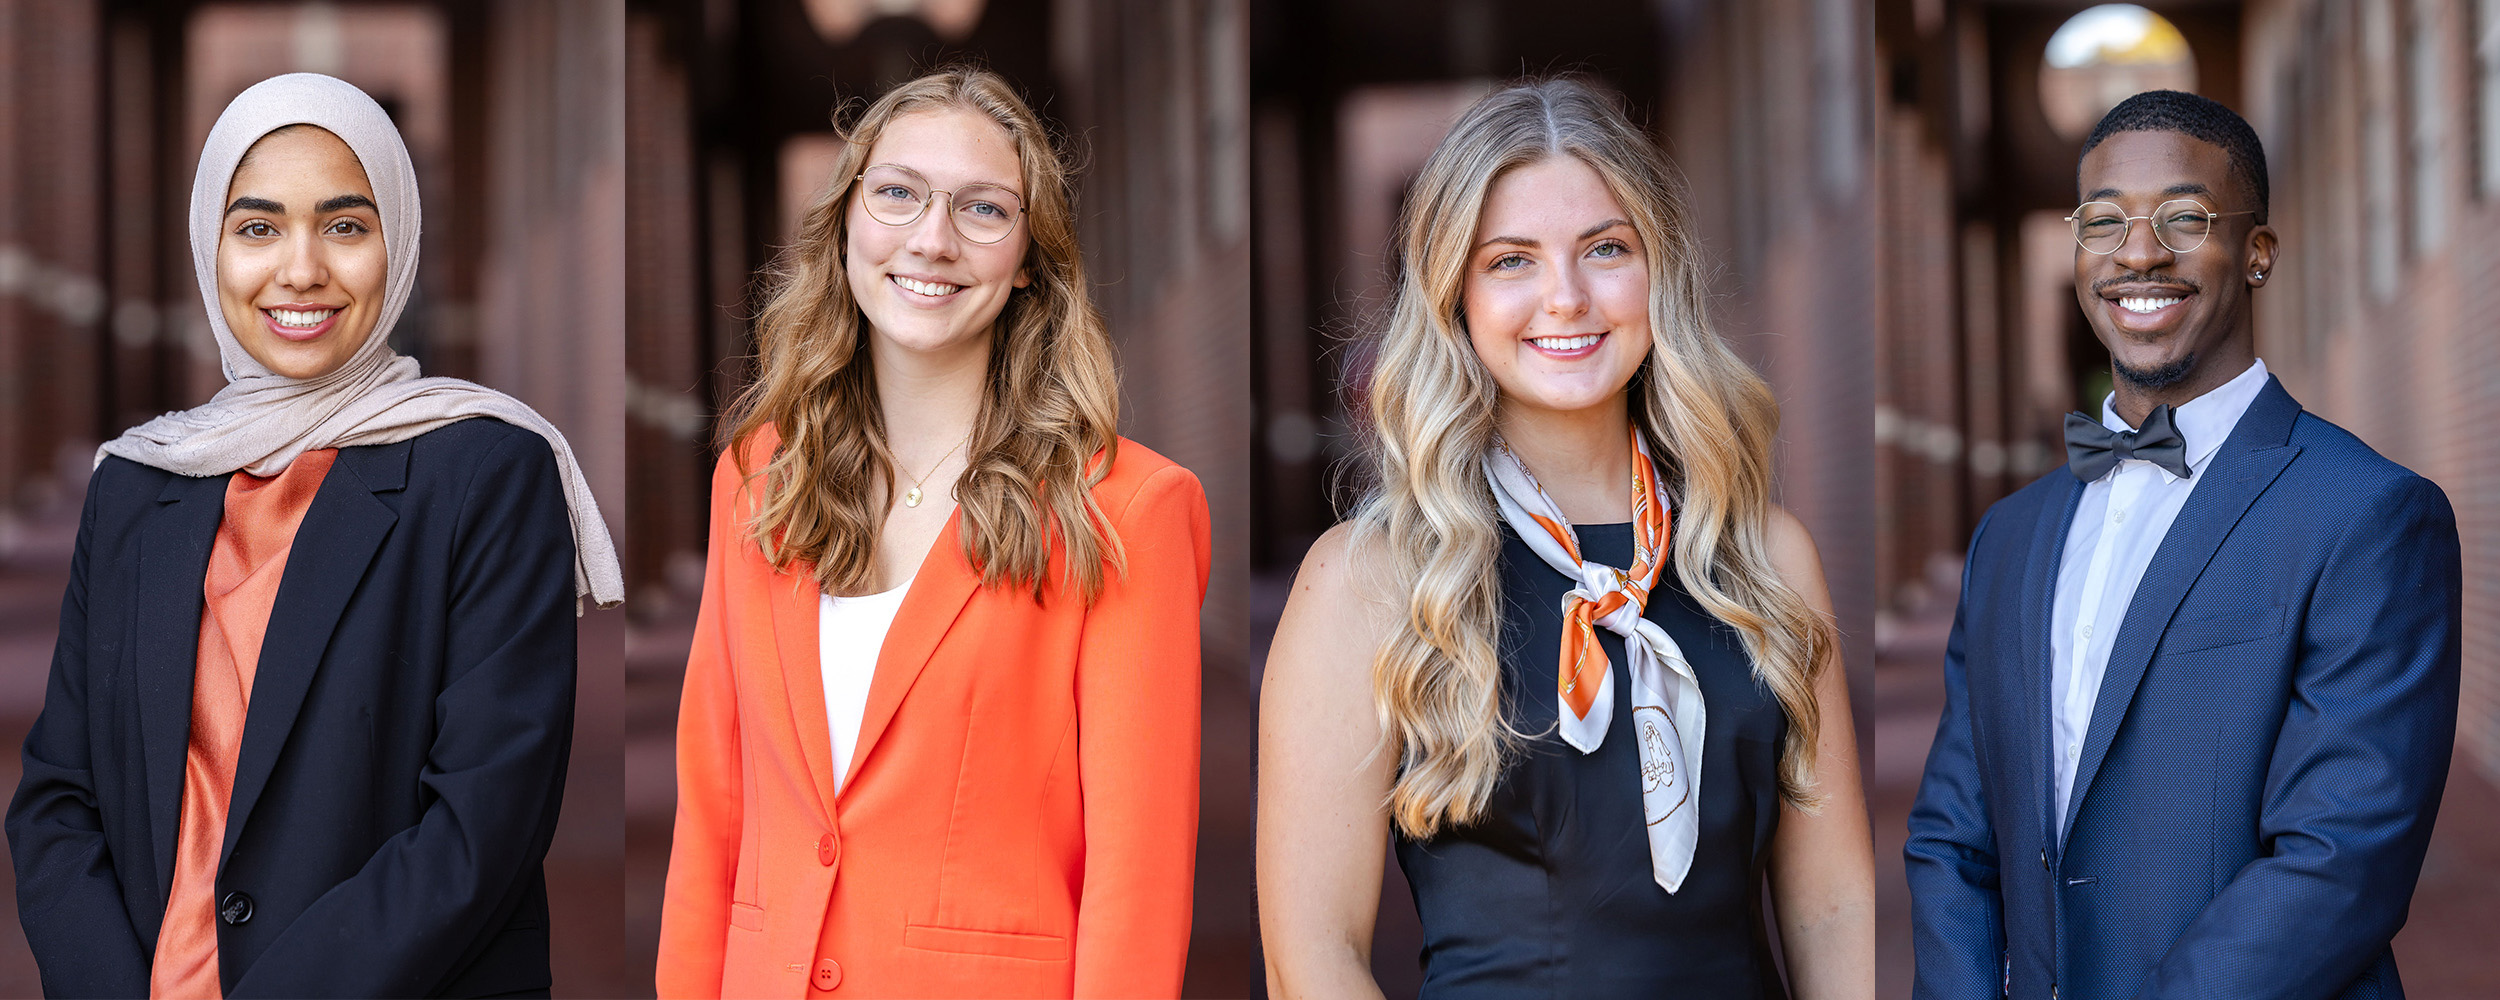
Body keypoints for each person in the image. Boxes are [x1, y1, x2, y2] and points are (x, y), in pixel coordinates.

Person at [5, 73, 621, 998]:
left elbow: (481, 825)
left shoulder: (489, 471)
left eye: (345, 225)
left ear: (399, 242)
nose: (300, 270)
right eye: (257, 228)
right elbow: (58, 797)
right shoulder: (136, 485)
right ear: (210, 247)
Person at [1258, 78, 1873, 999]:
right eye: (1512, 261)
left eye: (1606, 249)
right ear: (1453, 293)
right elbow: (1313, 954)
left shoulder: (1763, 559)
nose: (1568, 297)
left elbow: (1829, 902)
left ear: (1657, 269)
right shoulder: (1369, 581)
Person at [655, 67, 1210, 999]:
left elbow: (1138, 881)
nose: (933, 239)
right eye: (899, 193)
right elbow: (714, 806)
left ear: (1032, 255)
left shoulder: (1125, 509)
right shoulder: (757, 479)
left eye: (984, 209)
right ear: (847, 224)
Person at [1905, 89, 2461, 1000]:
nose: (2138, 252)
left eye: (2185, 217)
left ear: (2258, 252)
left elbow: (2338, 862)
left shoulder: (2369, 516)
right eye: (2105, 221)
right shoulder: (2008, 538)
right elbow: (1953, 835)